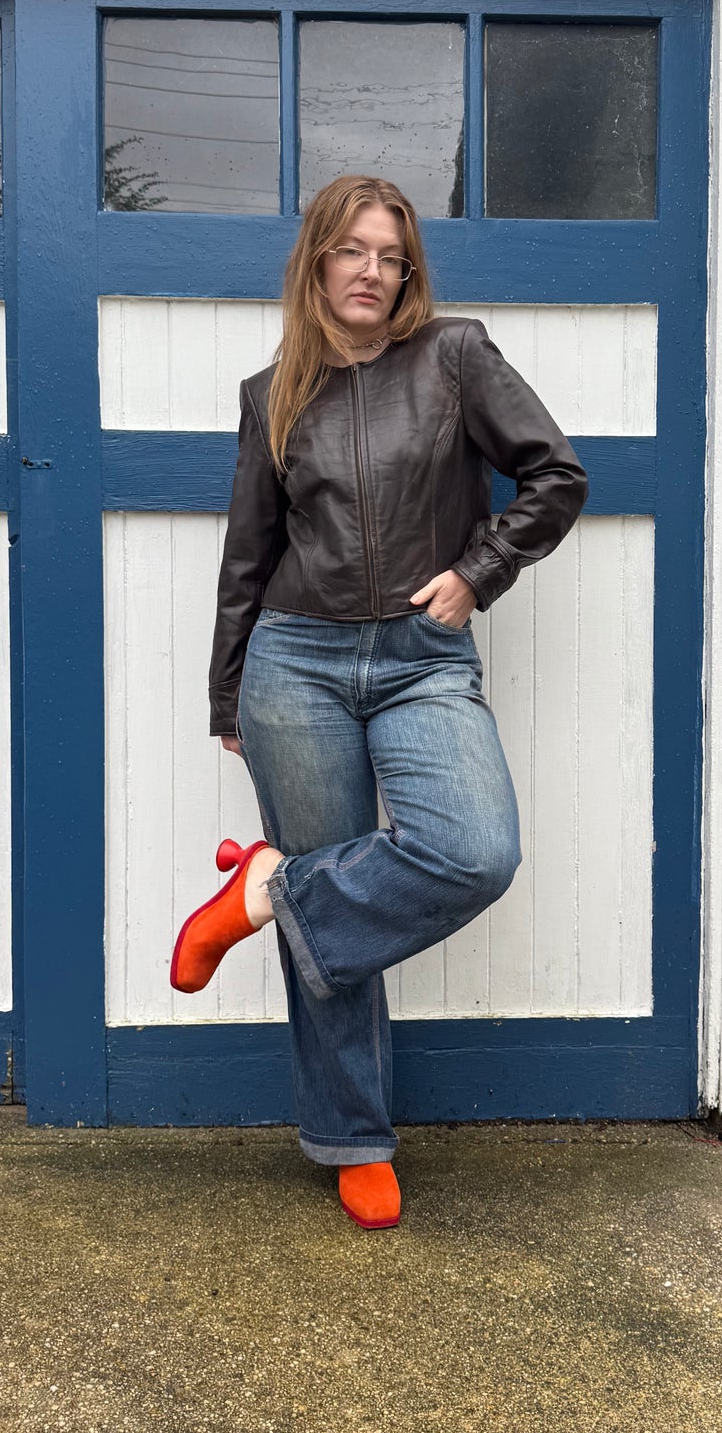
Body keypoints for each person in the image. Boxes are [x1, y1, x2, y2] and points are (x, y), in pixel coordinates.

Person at [169, 174, 589, 1230]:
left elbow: (554, 476)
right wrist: (229, 690)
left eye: (390, 255)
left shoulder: (455, 357)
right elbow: (247, 555)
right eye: (351, 250)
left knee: (471, 848)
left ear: (409, 272)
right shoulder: (271, 393)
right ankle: (352, 1136)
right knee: (337, 910)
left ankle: (265, 893)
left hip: (420, 657)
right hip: (295, 661)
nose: (371, 271)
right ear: (316, 260)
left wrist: (477, 572)